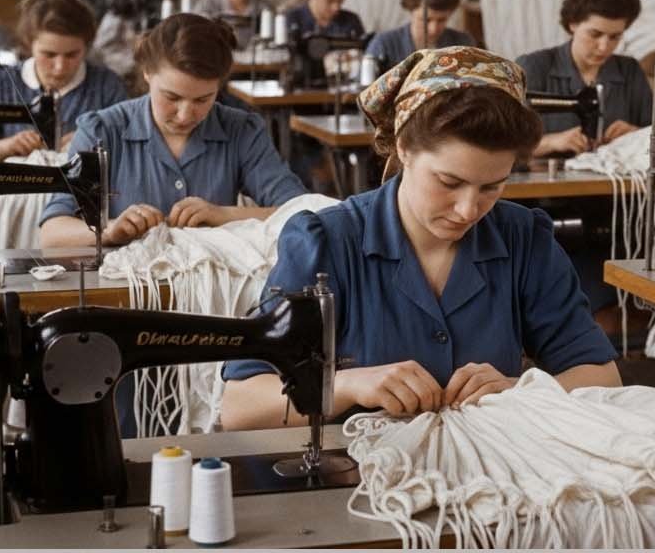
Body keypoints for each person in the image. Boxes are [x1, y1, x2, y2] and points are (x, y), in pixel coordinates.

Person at [219, 47, 621, 430]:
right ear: (404, 147)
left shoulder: (523, 240)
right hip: (355, 481)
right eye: (449, 182)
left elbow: (602, 377)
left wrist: (523, 390)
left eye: (491, 188)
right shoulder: (326, 242)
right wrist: (346, 385)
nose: (468, 210)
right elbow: (240, 406)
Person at [39, 13, 306, 250]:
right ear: (147, 73)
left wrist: (222, 215)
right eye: (172, 97)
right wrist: (108, 231)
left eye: (203, 100)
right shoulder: (102, 131)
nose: (185, 115)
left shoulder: (241, 130)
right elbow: (52, 232)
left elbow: (304, 211)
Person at [0, 0, 129, 161]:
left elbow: (129, 150)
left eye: (72, 55)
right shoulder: (0, 84)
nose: (60, 67)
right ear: (29, 44)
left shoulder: (107, 86)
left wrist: (93, 141)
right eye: (49, 55)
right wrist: (6, 146)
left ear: (86, 47)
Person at [516, 0, 654, 158]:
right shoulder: (534, 67)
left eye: (615, 37)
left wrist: (637, 135)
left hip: (614, 182)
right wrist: (550, 142)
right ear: (573, 24)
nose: (604, 46)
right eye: (595, 34)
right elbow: (497, 144)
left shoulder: (629, 70)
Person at [364, 0, 474, 74]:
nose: (433, 29)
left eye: (442, 20)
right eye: (426, 20)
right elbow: (365, 91)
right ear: (411, 10)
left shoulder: (463, 43)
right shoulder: (383, 44)